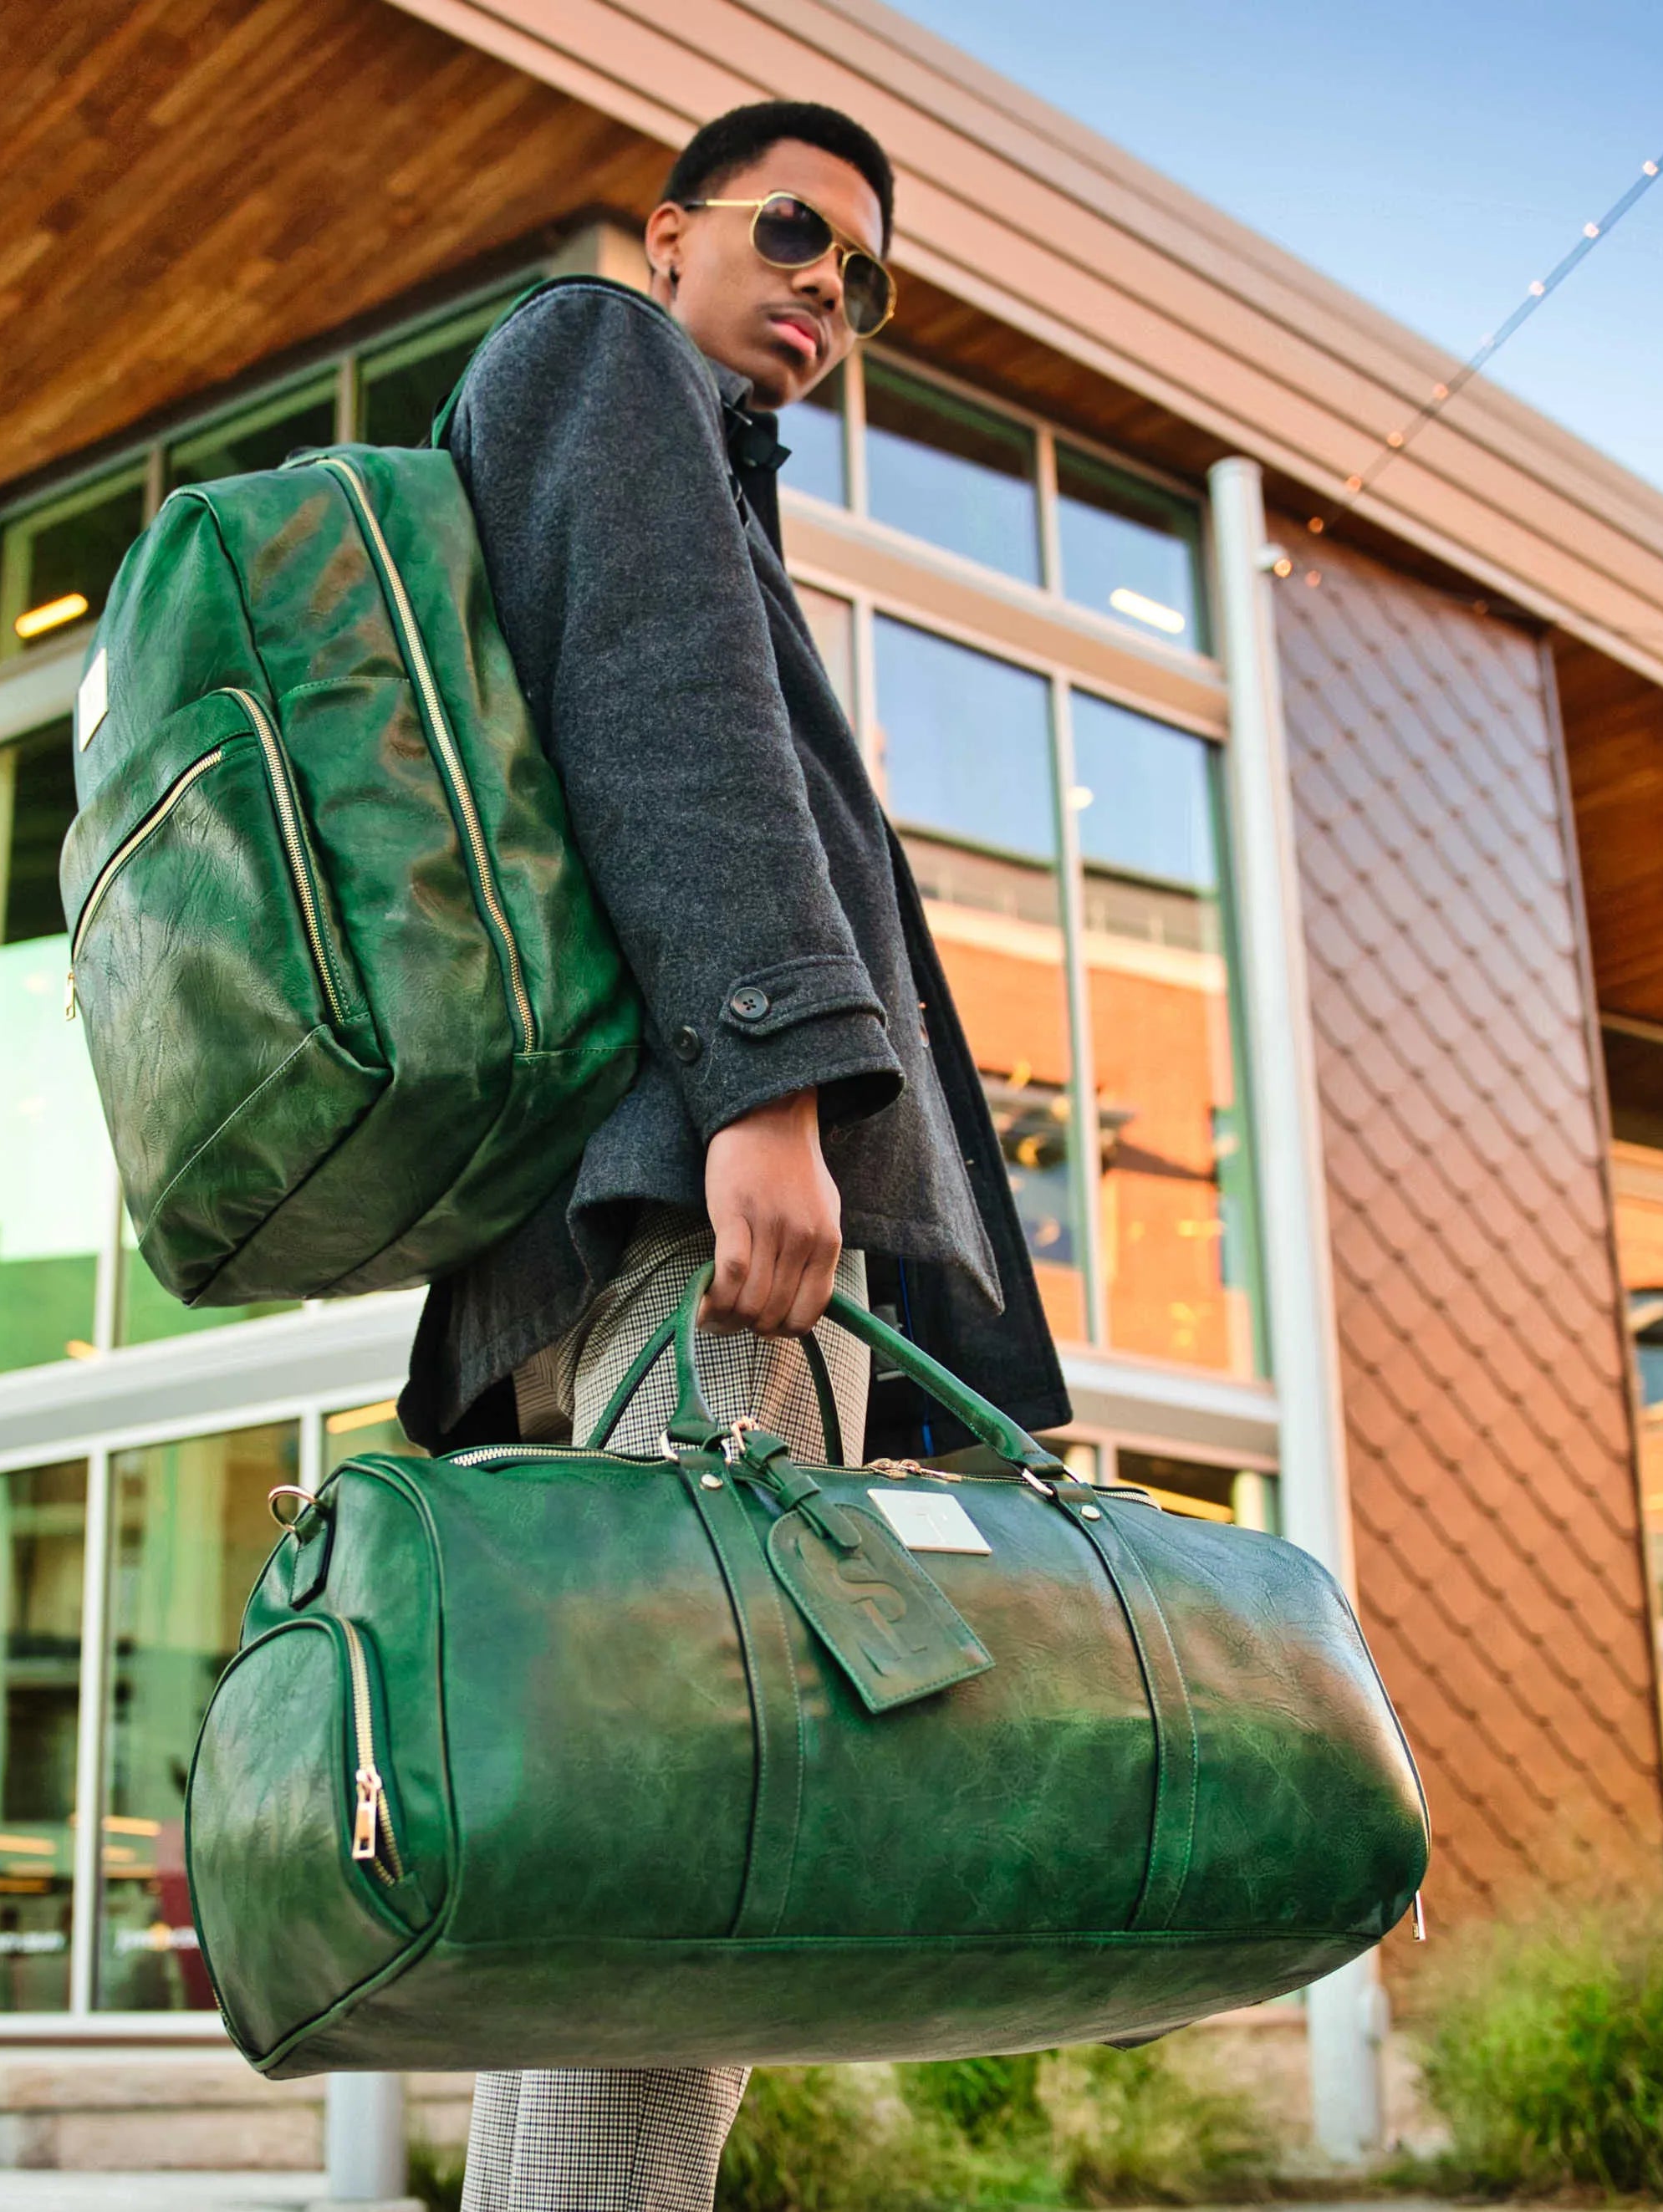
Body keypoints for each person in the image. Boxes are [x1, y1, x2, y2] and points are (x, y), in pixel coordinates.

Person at [399, 98, 1072, 2212]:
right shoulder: (607, 357)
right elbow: (666, 703)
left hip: (640, 1217)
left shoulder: (681, 454)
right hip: (698, 1223)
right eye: (800, 234)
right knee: (711, 1848)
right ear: (679, 228)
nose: (831, 292)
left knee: (632, 1859)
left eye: (867, 278)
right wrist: (769, 1103)